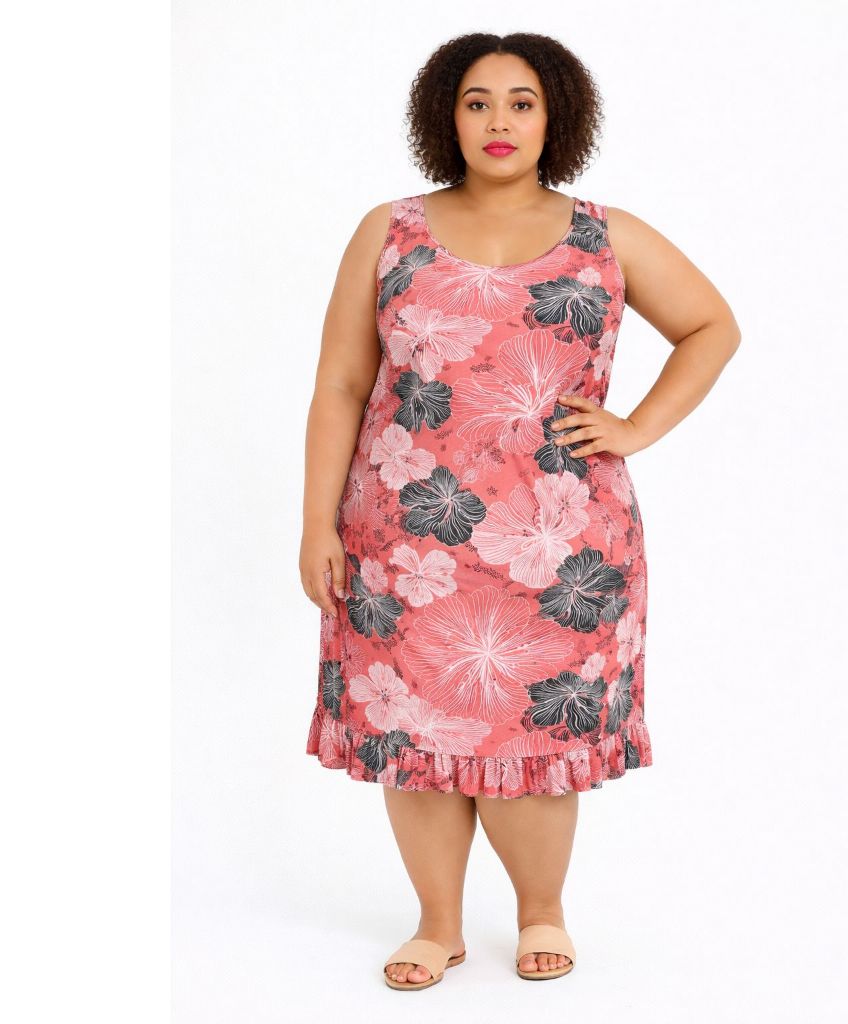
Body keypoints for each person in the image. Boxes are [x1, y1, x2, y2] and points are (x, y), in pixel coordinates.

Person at [299, 32, 741, 991]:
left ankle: (543, 911)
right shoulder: (388, 230)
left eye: (521, 102)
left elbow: (713, 326)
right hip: (400, 542)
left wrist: (635, 427)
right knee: (415, 739)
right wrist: (315, 523)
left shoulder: (605, 236)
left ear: (555, 118)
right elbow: (340, 383)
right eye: (477, 101)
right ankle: (438, 923)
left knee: (537, 741)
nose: (498, 120)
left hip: (561, 543)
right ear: (445, 117)